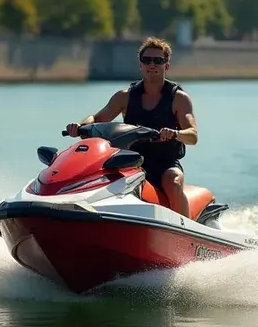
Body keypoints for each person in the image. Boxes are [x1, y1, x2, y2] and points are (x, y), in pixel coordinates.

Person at [66, 36, 198, 218]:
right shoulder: (124, 97)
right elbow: (97, 118)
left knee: (173, 182)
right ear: (140, 65)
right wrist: (80, 125)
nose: (152, 64)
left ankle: (186, 234)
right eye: (147, 60)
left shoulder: (179, 99)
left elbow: (192, 135)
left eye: (158, 61)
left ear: (166, 66)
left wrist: (175, 133)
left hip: (165, 164)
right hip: (129, 161)